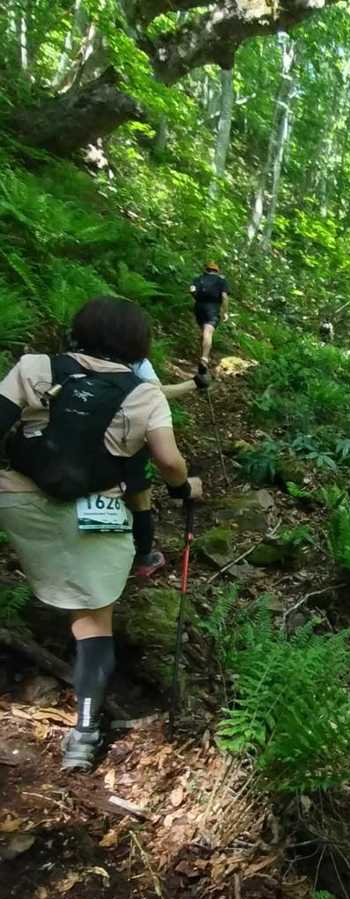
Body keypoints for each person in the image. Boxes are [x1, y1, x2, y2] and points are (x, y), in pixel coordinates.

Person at [0, 297, 203, 772]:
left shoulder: (35, 366)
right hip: (93, 514)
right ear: (138, 344)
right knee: (93, 621)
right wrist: (185, 488)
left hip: (16, 501)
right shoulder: (144, 392)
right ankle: (84, 734)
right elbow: (169, 462)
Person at [124, 358, 210, 577]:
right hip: (128, 438)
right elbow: (157, 393)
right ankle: (144, 557)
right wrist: (194, 383)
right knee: (140, 498)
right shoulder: (135, 358)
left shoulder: (72, 357)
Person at [191, 261, 229, 364]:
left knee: (203, 331)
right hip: (212, 308)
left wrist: (198, 299)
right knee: (208, 332)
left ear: (206, 270)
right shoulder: (221, 280)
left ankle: (201, 354)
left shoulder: (198, 278)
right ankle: (204, 358)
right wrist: (225, 312)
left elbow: (192, 290)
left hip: (199, 307)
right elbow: (224, 296)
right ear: (217, 271)